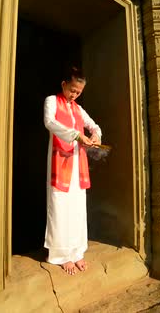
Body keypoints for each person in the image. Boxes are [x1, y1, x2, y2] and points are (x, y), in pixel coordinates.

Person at [43, 67, 101, 275]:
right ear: (64, 84)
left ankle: (76, 252)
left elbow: (93, 125)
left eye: (79, 92)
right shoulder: (51, 101)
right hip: (60, 159)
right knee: (60, 205)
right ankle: (61, 255)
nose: (75, 95)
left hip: (78, 161)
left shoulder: (78, 109)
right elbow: (50, 122)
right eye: (72, 90)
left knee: (77, 206)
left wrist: (95, 135)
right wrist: (77, 135)